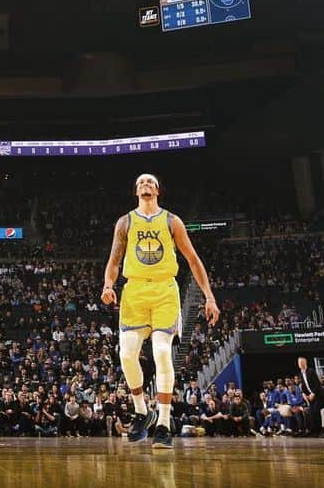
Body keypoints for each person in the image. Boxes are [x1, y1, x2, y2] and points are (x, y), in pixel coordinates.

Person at [102, 174, 219, 451]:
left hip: (165, 291)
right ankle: (143, 412)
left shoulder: (172, 221)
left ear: (157, 190)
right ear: (135, 190)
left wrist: (209, 297)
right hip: (135, 292)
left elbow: (192, 259)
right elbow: (114, 260)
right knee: (127, 355)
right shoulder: (125, 222)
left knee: (162, 352)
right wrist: (108, 285)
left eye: (149, 182)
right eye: (140, 182)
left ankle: (164, 424)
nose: (144, 184)